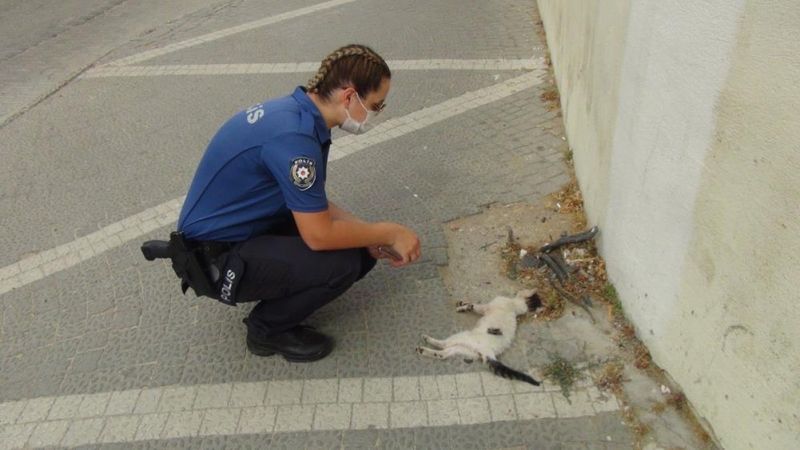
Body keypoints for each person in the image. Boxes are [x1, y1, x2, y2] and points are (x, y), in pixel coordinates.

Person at [175, 44, 421, 362]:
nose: (376, 113)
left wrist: (368, 233)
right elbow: (318, 235)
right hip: (214, 258)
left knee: (360, 248)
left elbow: (311, 204)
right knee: (343, 263)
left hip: (243, 230)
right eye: (376, 105)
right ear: (349, 97)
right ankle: (266, 330)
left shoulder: (297, 114)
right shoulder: (296, 140)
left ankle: (281, 287)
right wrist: (389, 232)